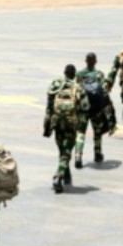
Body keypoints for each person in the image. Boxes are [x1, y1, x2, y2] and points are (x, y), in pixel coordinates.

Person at [44, 64, 83, 193]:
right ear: (74, 74)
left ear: (64, 73)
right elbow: (86, 105)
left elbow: (49, 105)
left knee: (62, 149)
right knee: (66, 152)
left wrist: (47, 123)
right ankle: (58, 176)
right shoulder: (77, 87)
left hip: (57, 122)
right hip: (70, 124)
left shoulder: (55, 84)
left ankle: (67, 175)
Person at [75, 54, 111, 168]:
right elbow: (104, 92)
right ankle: (97, 152)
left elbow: (76, 91)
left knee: (80, 132)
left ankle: (78, 156)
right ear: (95, 61)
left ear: (86, 61)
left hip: (83, 109)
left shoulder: (80, 74)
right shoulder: (99, 74)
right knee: (97, 132)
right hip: (96, 110)